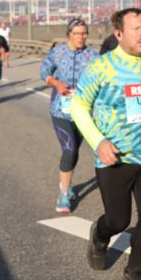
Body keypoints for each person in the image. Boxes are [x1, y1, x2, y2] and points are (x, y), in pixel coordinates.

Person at [71, 8, 141, 280]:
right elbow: (78, 106)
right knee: (119, 221)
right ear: (118, 34)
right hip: (114, 158)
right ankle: (100, 234)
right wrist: (99, 142)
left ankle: (134, 271)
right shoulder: (102, 67)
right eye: (137, 29)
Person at [40, 18, 98, 213]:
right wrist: (56, 84)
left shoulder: (92, 55)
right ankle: (63, 194)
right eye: (77, 33)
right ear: (69, 34)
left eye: (84, 33)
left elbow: (102, 77)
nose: (81, 37)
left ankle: (68, 183)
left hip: (83, 111)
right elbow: (44, 71)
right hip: (60, 109)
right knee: (69, 150)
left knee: (75, 152)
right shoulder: (58, 52)